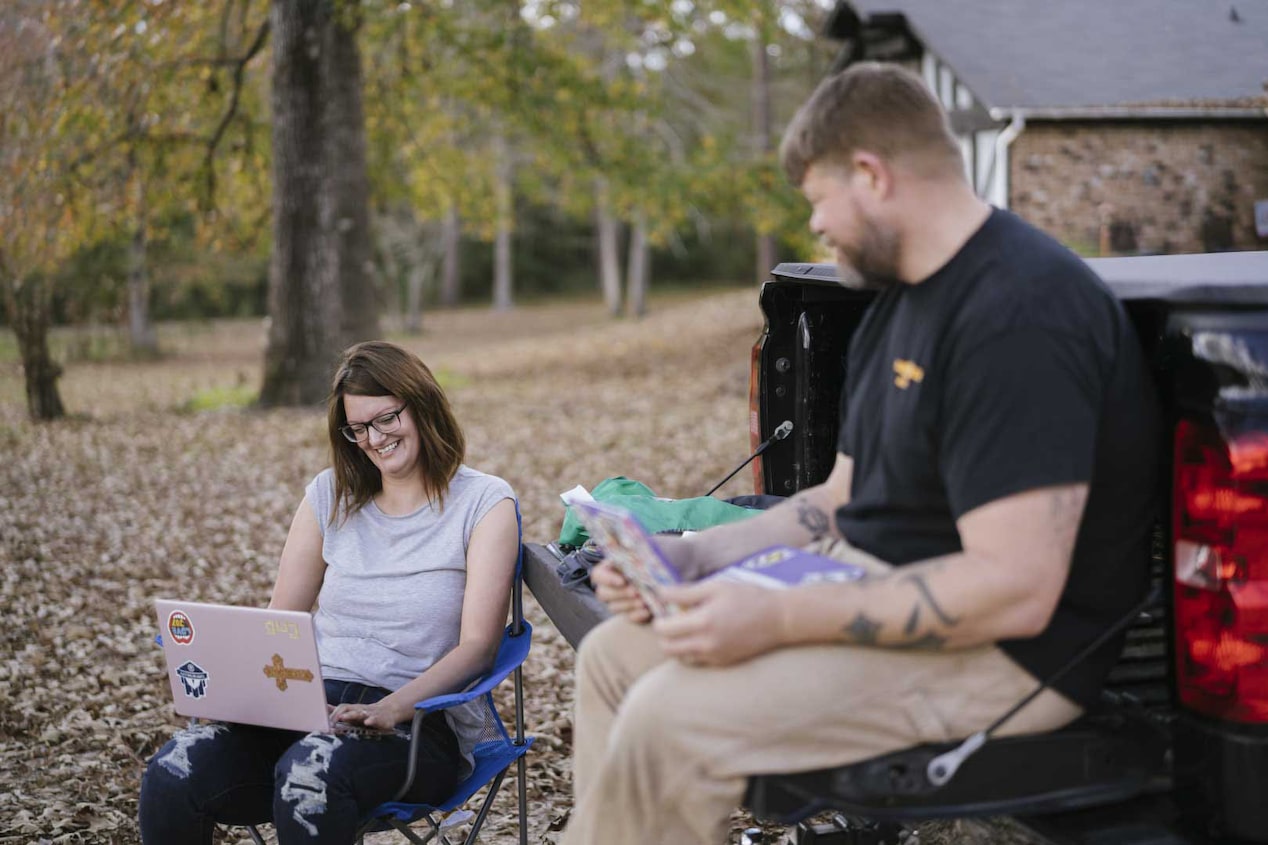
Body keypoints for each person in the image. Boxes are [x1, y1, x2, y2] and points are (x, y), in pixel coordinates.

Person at [560, 62, 1161, 845]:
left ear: (872, 175)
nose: (814, 227)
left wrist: (774, 615)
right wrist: (692, 556)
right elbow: (838, 499)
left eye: (817, 201)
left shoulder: (1021, 314)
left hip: (1007, 659)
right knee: (613, 657)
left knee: (673, 717)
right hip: (869, 590)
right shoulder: (897, 302)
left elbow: (1012, 591)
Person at [138, 341, 519, 844]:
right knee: (172, 771)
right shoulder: (329, 496)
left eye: (385, 419)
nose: (374, 439)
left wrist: (392, 708)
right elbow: (280, 619)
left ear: (422, 404)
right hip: (305, 703)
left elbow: (478, 648)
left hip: (415, 725)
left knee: (308, 778)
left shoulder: (484, 502)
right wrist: (239, 690)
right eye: (358, 428)